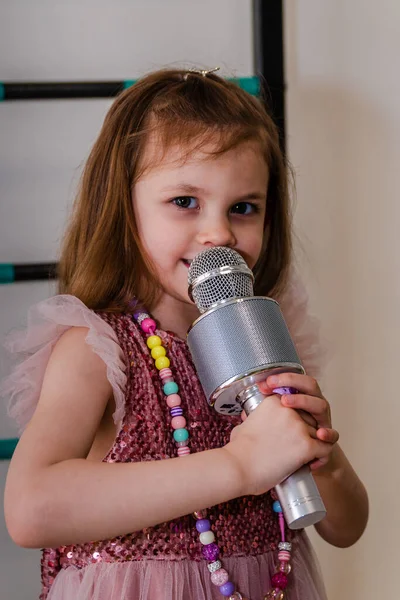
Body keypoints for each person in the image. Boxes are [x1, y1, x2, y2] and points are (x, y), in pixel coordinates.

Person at [1, 68, 368, 600]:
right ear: (124, 209)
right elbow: (30, 509)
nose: (219, 233)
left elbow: (347, 527)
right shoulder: (99, 349)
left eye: (243, 208)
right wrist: (237, 466)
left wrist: (322, 459)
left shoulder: (267, 344)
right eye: (185, 202)